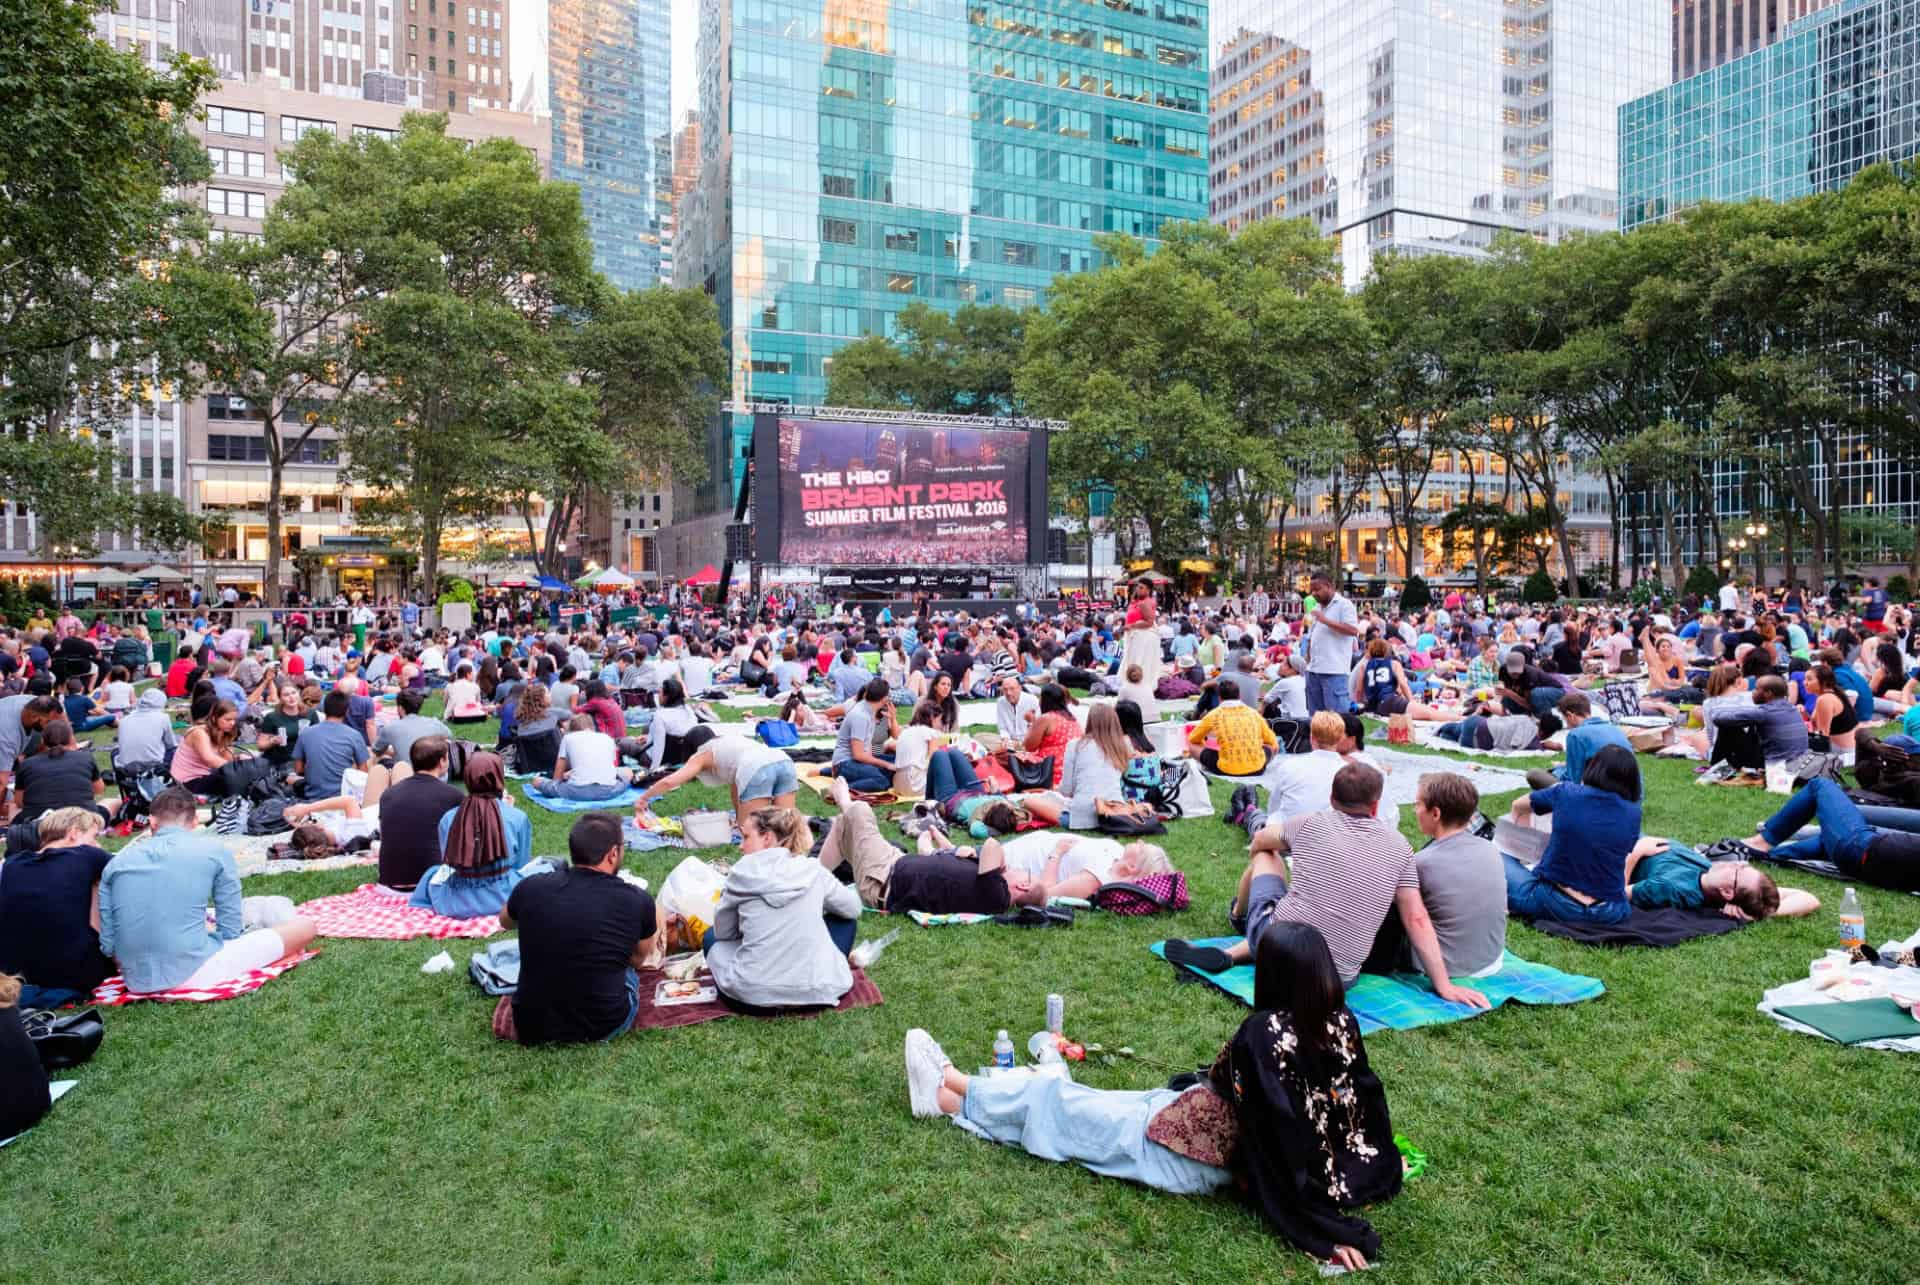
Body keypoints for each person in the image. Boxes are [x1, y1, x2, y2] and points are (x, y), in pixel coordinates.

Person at [903, 923, 1399, 1272]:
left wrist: (1314, 1229)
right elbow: (1361, 1106)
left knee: (1065, 1110)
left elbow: (1282, 1140)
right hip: (1187, 1117)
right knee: (1076, 1102)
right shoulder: (1339, 1021)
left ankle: (954, 1086)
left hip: (1188, 1152)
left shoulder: (1265, 1033)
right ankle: (949, 1101)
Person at [1165, 763, 1491, 1010]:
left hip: (1277, 952)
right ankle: (1232, 953)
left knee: (1267, 857)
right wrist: (1444, 985)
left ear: (1332, 799)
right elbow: (1416, 918)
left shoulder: (1309, 823)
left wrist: (1263, 853)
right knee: (1305, 922)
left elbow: (1261, 840)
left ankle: (1239, 917)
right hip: (1338, 979)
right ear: (1375, 806)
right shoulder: (1400, 847)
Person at [98, 788, 318, 992]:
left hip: (135, 979)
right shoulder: (214, 851)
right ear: (195, 821)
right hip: (196, 971)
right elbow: (230, 929)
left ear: (152, 822)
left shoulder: (117, 862)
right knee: (305, 926)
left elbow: (108, 943)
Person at [499, 814, 663, 1044]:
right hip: (603, 1024)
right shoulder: (638, 900)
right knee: (626, 975)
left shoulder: (531, 887)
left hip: (531, 1024)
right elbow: (636, 961)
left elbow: (505, 921)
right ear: (613, 854)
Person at [703, 806, 862, 1012]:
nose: (740, 846)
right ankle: (821, 971)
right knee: (844, 920)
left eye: (746, 837)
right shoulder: (812, 869)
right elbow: (853, 908)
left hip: (751, 996)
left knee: (710, 936)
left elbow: (724, 933)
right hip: (819, 991)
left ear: (767, 837)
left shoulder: (740, 872)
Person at [816, 775, 1045, 912]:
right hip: (896, 864)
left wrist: (999, 865)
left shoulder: (998, 894)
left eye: (1024, 873)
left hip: (883, 880)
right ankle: (814, 879)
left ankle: (843, 799)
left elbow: (992, 845)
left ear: (1023, 885)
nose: (1017, 869)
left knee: (859, 810)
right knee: (843, 824)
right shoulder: (989, 887)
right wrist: (939, 851)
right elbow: (947, 878)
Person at [1362, 774, 1506, 978]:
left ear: (1435, 813)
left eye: (1418, 804)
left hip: (1445, 967)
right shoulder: (1490, 849)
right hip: (1491, 959)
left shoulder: (1422, 863)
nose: (1415, 810)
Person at [1503, 745, 1642, 925]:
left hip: (1555, 903)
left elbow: (1518, 806)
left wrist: (1522, 843)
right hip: (1610, 912)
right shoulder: (1633, 813)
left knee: (1497, 856)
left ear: (1592, 769)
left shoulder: (1566, 792)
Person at [0, 808, 117, 1007]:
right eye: (93, 837)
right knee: (99, 885)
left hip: (15, 974)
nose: (98, 844)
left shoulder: (11, 864)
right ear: (74, 833)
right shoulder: (88, 855)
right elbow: (127, 869)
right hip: (74, 975)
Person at [408, 752, 536, 918]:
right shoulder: (517, 817)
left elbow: (449, 863)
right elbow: (521, 865)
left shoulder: (448, 818)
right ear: (499, 777)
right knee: (546, 866)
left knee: (433, 872)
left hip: (454, 902)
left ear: (467, 777)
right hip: (505, 897)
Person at [1735, 778, 1920, 892]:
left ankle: (1760, 843)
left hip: (1860, 849)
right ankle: (1763, 854)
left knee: (1820, 786)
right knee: (1829, 836)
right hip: (1869, 856)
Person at [635, 733, 799, 829]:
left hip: (756, 768)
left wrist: (644, 797)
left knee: (753, 831)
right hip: (784, 761)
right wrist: (738, 819)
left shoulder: (702, 754)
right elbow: (736, 787)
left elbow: (670, 782)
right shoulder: (732, 742)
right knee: (786, 826)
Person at [1625, 838, 1814, 919]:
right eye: (1744, 866)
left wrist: (1636, 852)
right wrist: (1760, 914)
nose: (1737, 864)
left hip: (1618, 847)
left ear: (1727, 892)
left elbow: (1615, 894)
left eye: (1738, 871)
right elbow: (1808, 898)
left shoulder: (1670, 888)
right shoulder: (1712, 874)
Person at [375, 736, 465, 891]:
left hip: (389, 883)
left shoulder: (388, 794)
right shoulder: (453, 796)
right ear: (442, 761)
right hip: (433, 884)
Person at [996, 828, 1174, 900]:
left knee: (984, 850)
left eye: (1142, 848)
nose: (1140, 841)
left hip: (1010, 863)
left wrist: (1056, 853)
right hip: (1022, 846)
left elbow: (1045, 892)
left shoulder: (1094, 879)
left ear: (1132, 867)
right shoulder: (1119, 854)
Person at [1523, 691, 1634, 795]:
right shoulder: (1615, 729)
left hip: (1599, 796)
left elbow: (1573, 779)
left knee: (1534, 774)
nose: (1567, 725)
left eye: (1565, 719)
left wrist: (1556, 772)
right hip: (1629, 795)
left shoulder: (1576, 734)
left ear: (1570, 716)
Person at [8, 720, 105, 833]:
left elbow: (20, 802)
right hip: (83, 821)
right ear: (71, 738)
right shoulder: (86, 758)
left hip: (40, 825)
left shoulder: (26, 764)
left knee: (13, 806)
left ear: (43, 740)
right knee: (111, 802)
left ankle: (15, 829)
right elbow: (99, 789)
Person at [1057, 703, 1134, 829]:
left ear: (1090, 721)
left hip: (1081, 817)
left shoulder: (1075, 745)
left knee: (1033, 801)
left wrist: (1056, 790)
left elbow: (1067, 790)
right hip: (1115, 814)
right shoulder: (1122, 746)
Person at [531, 713, 633, 800]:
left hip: (577, 792)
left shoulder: (568, 738)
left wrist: (567, 776)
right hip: (610, 791)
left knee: (536, 781)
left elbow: (556, 778)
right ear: (592, 727)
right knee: (628, 771)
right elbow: (612, 770)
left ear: (572, 729)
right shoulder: (607, 738)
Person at [293, 690, 370, 802]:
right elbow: (363, 772)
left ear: (324, 709)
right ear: (346, 711)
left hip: (313, 796)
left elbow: (298, 769)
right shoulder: (354, 735)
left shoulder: (306, 733)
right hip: (343, 798)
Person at [1185, 688, 1277, 777]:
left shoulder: (1214, 714)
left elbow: (1193, 738)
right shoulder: (1254, 713)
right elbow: (1273, 742)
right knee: (1271, 746)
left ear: (1219, 698)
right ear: (1239, 696)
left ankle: (1207, 764)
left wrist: (1205, 746)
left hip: (1225, 768)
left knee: (1192, 746)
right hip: (1257, 769)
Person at [1302, 572, 1359, 715]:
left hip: (1334, 671)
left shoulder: (1344, 605)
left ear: (1329, 586)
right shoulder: (1317, 608)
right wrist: (1308, 656)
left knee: (1337, 718)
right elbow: (1313, 635)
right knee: (1316, 718)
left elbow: (1352, 630)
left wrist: (1325, 620)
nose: (1314, 594)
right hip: (1313, 670)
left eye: (1317, 589)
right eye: (1312, 590)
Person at [829, 678, 898, 792]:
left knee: (897, 763)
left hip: (858, 761)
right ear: (885, 699)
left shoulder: (869, 711)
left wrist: (893, 718)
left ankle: (855, 782)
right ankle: (840, 790)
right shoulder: (860, 716)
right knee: (882, 780)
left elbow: (868, 750)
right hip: (844, 764)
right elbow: (858, 755)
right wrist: (885, 765)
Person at [169, 699, 242, 792]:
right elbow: (209, 759)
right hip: (185, 781)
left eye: (234, 719)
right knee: (232, 781)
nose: (232, 723)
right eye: (228, 719)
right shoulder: (199, 732)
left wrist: (240, 760)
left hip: (202, 776)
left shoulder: (223, 732)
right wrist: (238, 769)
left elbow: (227, 759)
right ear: (214, 718)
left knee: (237, 778)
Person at [372, 687, 452, 768]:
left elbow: (376, 750)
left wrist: (393, 752)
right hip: (434, 770)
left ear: (400, 708)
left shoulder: (390, 728)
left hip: (405, 772)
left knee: (381, 759)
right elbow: (449, 736)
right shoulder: (434, 723)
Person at [114, 687, 178, 771]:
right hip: (155, 765)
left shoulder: (124, 720)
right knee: (176, 746)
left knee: (115, 752)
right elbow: (171, 745)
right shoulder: (163, 718)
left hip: (127, 767)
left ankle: (119, 775)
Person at [644, 678, 699, 770]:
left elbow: (658, 747)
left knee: (625, 744)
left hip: (662, 760)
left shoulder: (660, 715)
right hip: (682, 758)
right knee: (647, 728)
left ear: (666, 696)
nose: (658, 696)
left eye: (660, 692)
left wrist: (653, 770)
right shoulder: (689, 710)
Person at [1120, 580, 1162, 694]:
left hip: (1142, 637)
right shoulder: (1140, 601)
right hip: (1138, 636)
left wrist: (1131, 626)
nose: (1138, 589)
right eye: (1137, 587)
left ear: (1148, 590)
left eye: (1141, 587)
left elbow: (1149, 622)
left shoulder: (1144, 603)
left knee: (1139, 662)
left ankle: (1138, 687)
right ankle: (1137, 686)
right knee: (1137, 662)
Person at [994, 675, 1039, 743]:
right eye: (1005, 689)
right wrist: (1005, 739)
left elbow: (1037, 727)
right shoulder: (1000, 702)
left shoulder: (1032, 700)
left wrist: (1023, 742)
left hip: (1029, 741)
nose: (1008, 693)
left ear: (1020, 688)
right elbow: (1002, 727)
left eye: (1012, 688)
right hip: (1010, 741)